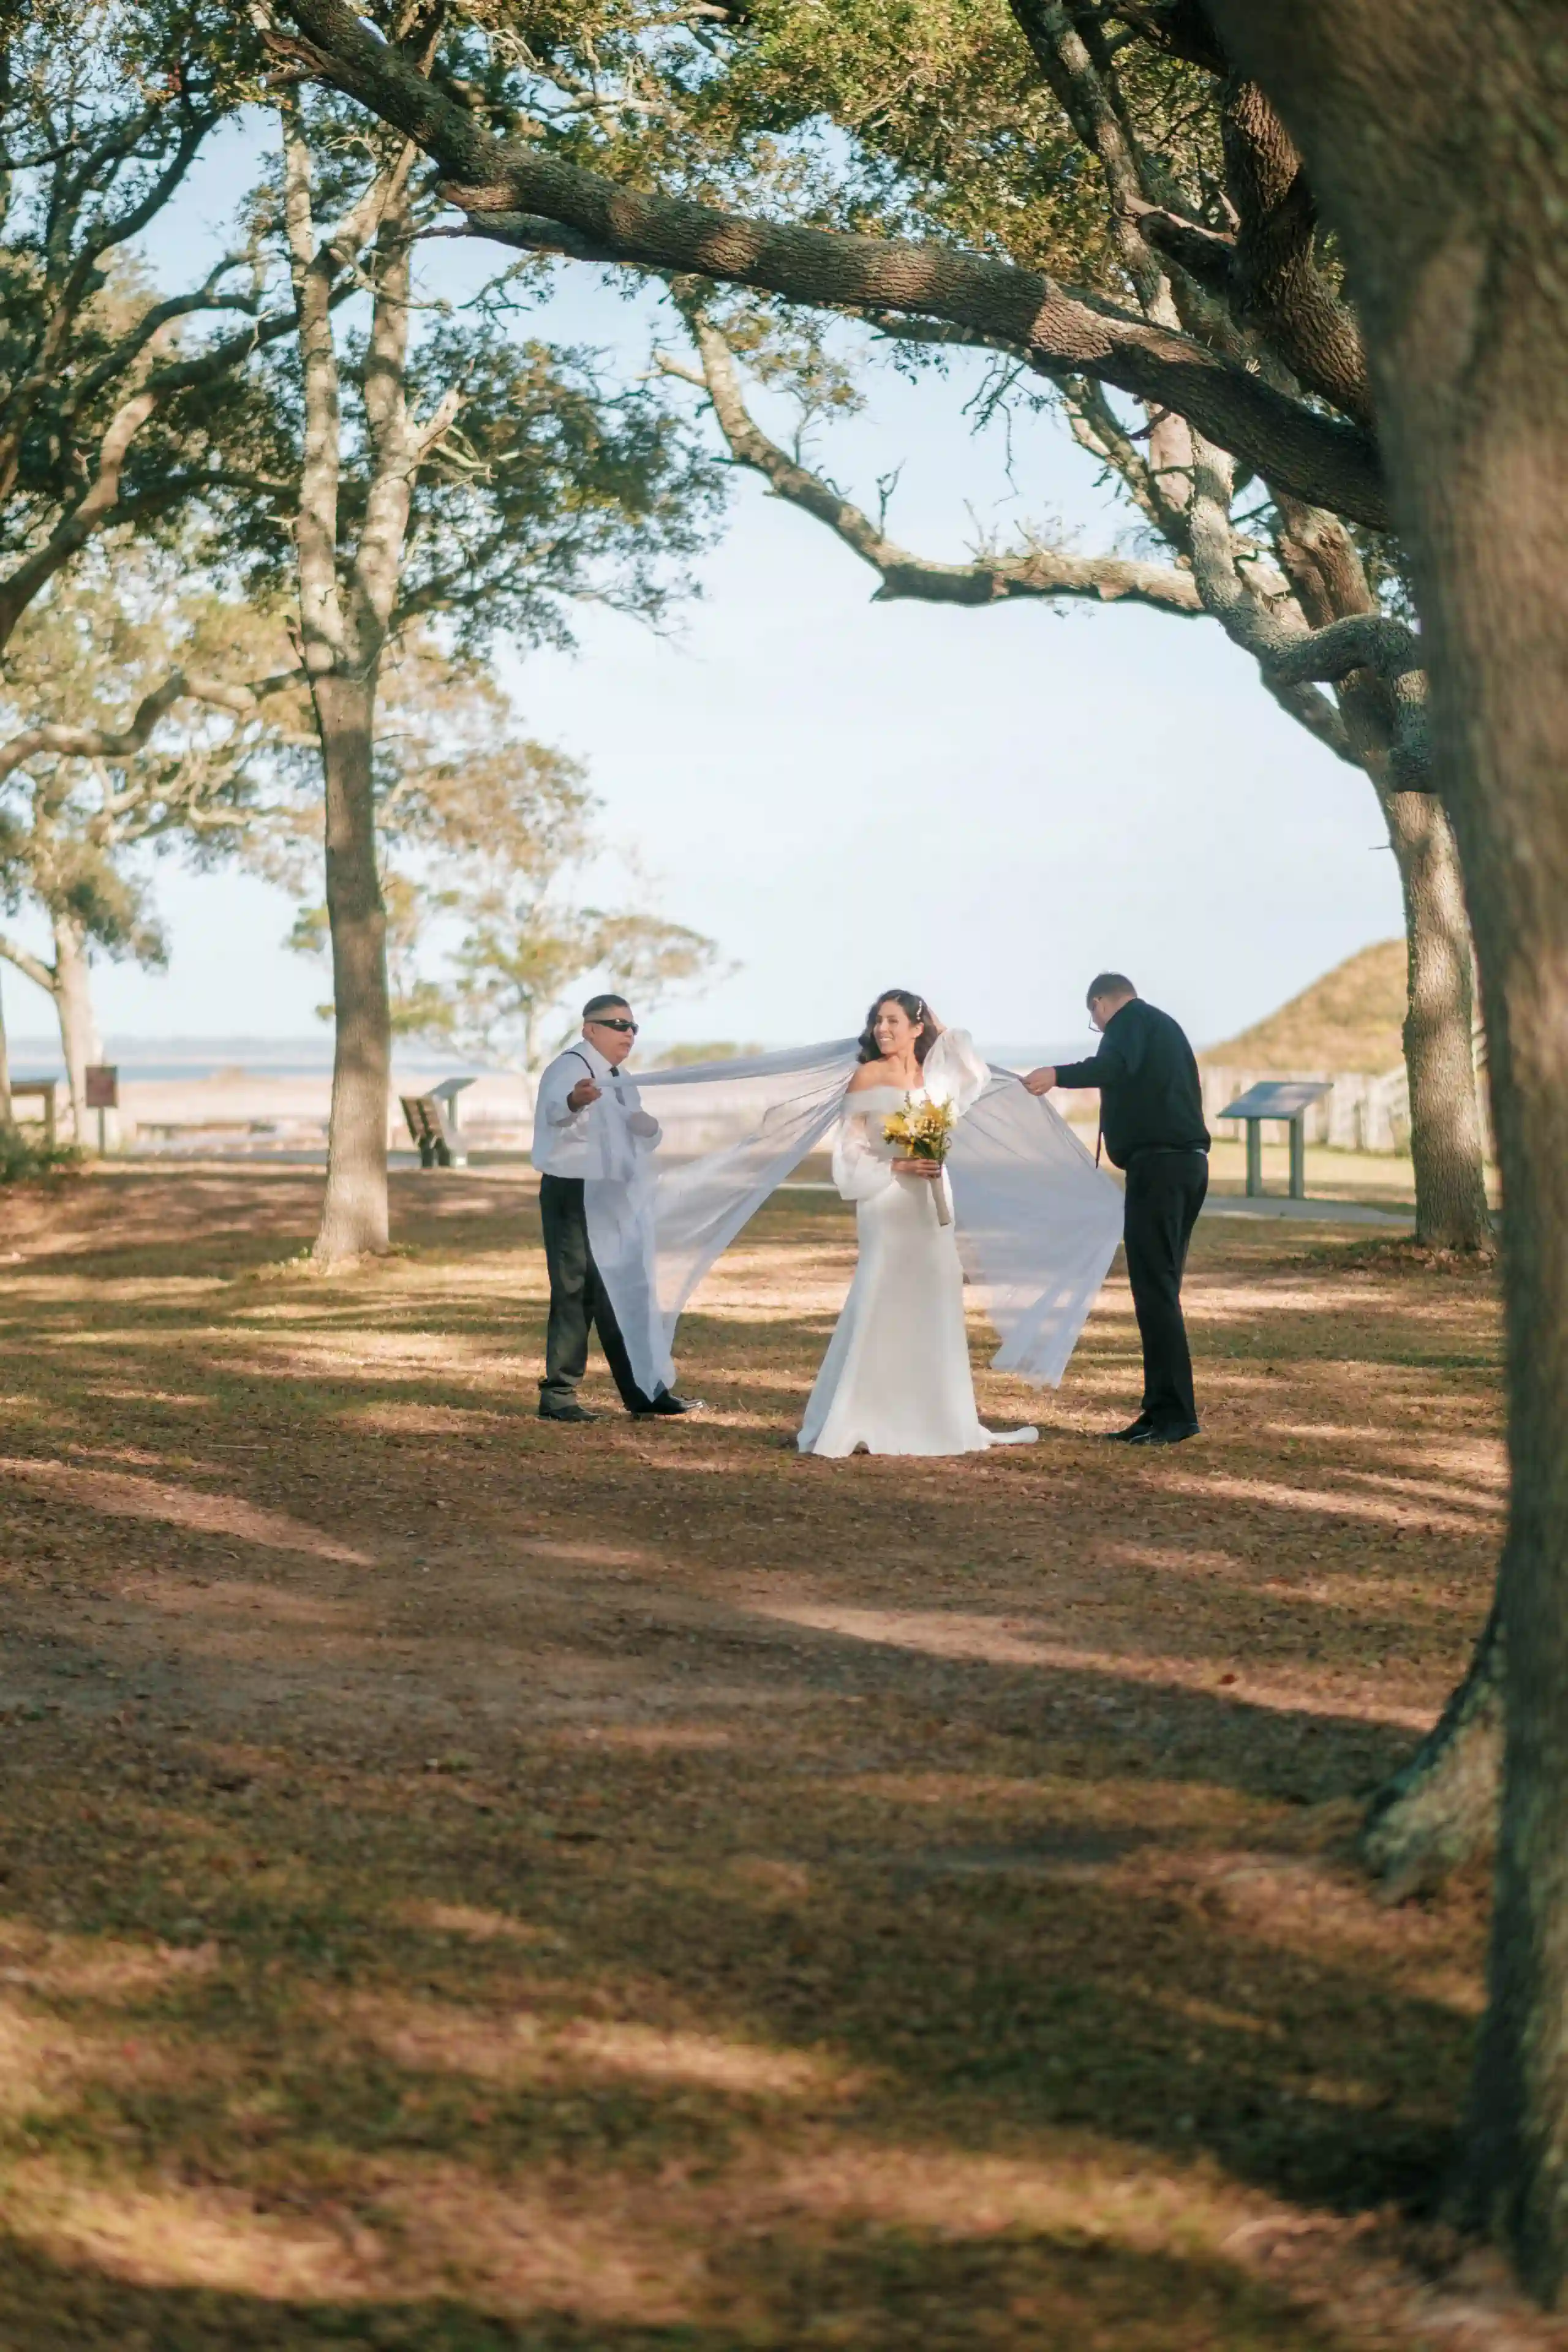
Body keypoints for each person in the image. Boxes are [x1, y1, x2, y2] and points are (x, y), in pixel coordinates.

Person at [797, 990, 1041, 1457]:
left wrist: (939, 1026)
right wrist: (896, 1167)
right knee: (880, 1291)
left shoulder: (937, 1078)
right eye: (877, 1021)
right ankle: (863, 1411)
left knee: (935, 1291)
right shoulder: (867, 1076)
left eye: (893, 1020)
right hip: (886, 1199)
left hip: (931, 1203)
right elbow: (848, 1151)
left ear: (916, 1026)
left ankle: (935, 1415)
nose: (882, 1029)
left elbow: (975, 1071)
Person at [1025, 974, 1208, 1445]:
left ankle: (1174, 1415)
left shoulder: (1128, 1022)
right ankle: (1160, 1408)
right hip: (1183, 1167)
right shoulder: (1162, 1026)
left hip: (1161, 1169)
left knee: (1156, 1293)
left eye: (1094, 1019)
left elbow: (1113, 1067)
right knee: (1157, 1290)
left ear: (1101, 1003)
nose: (1099, 1027)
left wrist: (1057, 1075)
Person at [531, 993, 701, 1423]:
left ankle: (645, 1391)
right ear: (590, 1029)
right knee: (576, 1290)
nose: (628, 1034)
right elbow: (555, 1111)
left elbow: (634, 1132)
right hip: (573, 1192)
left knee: (625, 1289)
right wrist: (575, 1102)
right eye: (618, 1025)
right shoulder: (570, 1067)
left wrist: (650, 1130)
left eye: (632, 1026)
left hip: (611, 1194)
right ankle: (558, 1397)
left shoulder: (621, 1076)